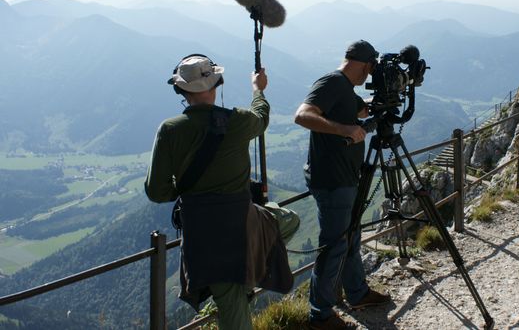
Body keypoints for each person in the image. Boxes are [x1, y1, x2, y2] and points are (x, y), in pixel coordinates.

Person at [144, 54, 292, 330]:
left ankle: (245, 277)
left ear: (181, 89)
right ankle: (249, 272)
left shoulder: (169, 131)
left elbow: (157, 191)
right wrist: (258, 89)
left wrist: (188, 189)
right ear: (217, 83)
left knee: (231, 298)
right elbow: (261, 117)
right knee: (286, 220)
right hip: (243, 224)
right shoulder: (238, 121)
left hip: (203, 233)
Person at [294, 40, 391, 330]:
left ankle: (358, 293)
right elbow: (303, 115)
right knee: (334, 245)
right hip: (332, 180)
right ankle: (320, 315)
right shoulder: (332, 82)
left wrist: (384, 102)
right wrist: (345, 130)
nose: (369, 76)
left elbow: (360, 111)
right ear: (362, 64)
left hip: (345, 177)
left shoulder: (346, 90)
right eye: (370, 69)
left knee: (350, 239)